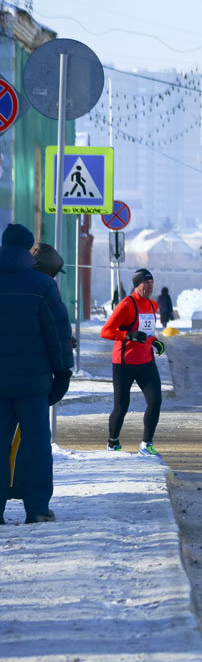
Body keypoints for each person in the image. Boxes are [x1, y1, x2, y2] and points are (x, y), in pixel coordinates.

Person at [0, 223, 72, 524]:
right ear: (29, 249)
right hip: (34, 385)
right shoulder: (42, 285)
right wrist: (62, 373)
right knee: (37, 446)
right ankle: (38, 509)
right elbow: (57, 334)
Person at [100, 268, 166, 458]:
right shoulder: (126, 305)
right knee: (121, 406)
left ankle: (146, 444)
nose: (150, 287)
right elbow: (105, 331)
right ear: (137, 285)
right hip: (124, 363)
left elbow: (148, 332)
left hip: (146, 362)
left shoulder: (153, 305)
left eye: (152, 283)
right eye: (146, 284)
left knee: (155, 401)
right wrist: (128, 335)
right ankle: (113, 443)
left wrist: (155, 342)